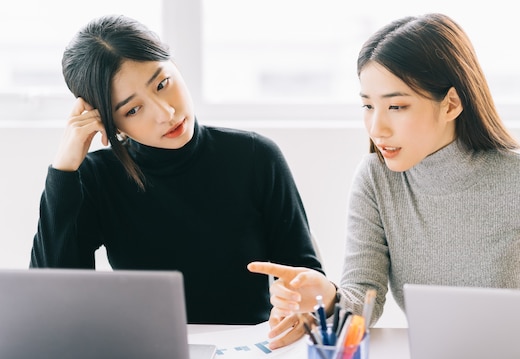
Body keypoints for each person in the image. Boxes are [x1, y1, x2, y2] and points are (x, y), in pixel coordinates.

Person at [248, 13, 520, 348]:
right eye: (368, 106)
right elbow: (364, 297)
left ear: (451, 104)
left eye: (396, 107)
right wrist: (328, 296)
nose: (377, 128)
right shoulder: (375, 180)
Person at [29, 14, 323, 325]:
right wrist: (63, 168)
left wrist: (297, 309)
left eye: (162, 83)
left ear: (176, 66)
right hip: (147, 358)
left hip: (249, 356)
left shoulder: (255, 156)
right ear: (110, 123)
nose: (165, 112)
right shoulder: (98, 178)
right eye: (133, 109)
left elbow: (306, 278)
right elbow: (51, 300)